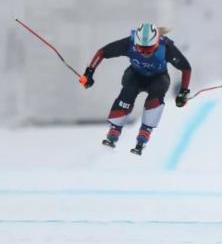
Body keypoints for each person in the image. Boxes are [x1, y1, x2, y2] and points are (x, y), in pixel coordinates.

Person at [79, 23, 192, 155]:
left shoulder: (166, 47)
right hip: (135, 75)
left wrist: (183, 92)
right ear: (135, 43)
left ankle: (145, 130)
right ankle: (115, 128)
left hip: (158, 77)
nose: (144, 53)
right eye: (140, 49)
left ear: (156, 43)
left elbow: (186, 68)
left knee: (156, 94)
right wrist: (88, 73)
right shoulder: (129, 43)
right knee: (128, 90)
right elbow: (103, 52)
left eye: (149, 49)